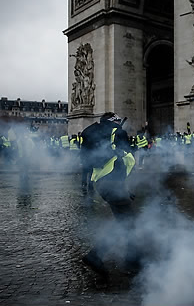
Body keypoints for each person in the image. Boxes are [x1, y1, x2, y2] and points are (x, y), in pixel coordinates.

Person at [81, 112, 138, 275]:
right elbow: (126, 159)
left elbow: (109, 163)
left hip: (103, 183)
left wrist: (125, 190)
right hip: (113, 185)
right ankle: (100, 256)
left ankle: (133, 260)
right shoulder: (118, 133)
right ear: (115, 121)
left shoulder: (96, 132)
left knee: (126, 221)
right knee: (129, 223)